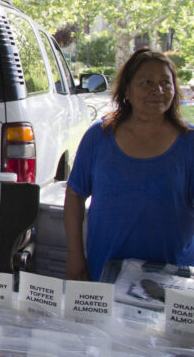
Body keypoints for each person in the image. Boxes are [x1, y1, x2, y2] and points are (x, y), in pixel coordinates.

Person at [64, 48, 194, 281]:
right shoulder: (99, 136)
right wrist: (75, 256)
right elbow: (75, 195)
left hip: (172, 276)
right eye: (147, 82)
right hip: (104, 272)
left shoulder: (190, 142)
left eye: (166, 82)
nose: (159, 90)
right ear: (127, 91)